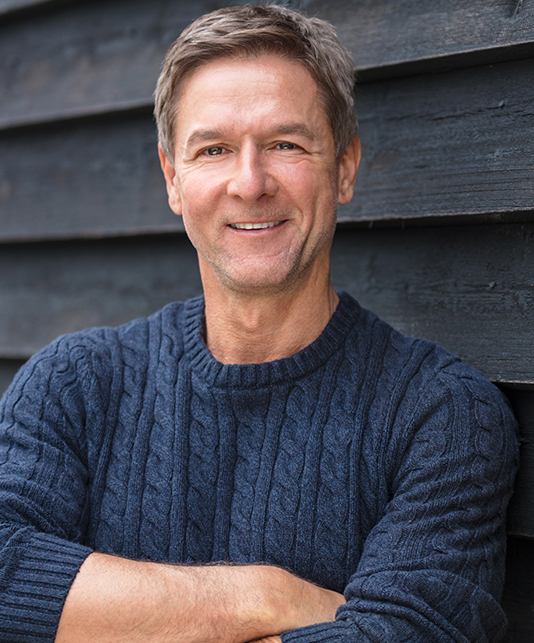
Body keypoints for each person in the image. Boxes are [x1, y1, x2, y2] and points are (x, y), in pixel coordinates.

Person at [0, 4, 518, 642]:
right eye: (214, 149)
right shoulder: (74, 385)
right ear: (172, 178)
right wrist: (258, 599)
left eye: (285, 144)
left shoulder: (440, 415)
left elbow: (407, 634)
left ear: (346, 166)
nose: (249, 183)